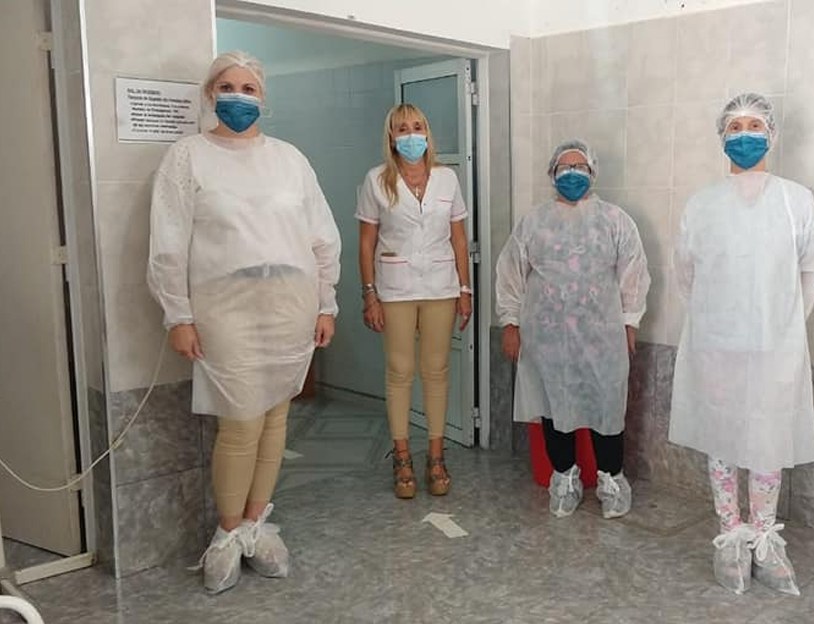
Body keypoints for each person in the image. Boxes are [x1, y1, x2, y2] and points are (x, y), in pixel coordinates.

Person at [147, 51, 342, 594]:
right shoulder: (188, 157)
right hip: (224, 308)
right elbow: (168, 242)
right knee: (240, 421)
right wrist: (178, 314)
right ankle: (228, 533)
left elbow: (322, 235)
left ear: (263, 96)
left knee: (276, 416)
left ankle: (256, 525)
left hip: (290, 303)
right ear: (210, 94)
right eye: (227, 86)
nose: (238, 95)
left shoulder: (289, 159)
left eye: (249, 87)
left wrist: (326, 303)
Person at [669, 93, 814, 596]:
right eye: (734, 126)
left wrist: (784, 324)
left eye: (754, 125)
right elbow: (685, 272)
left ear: (771, 135)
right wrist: (717, 320)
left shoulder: (795, 200)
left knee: (767, 439)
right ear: (721, 136)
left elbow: (813, 267)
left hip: (775, 345)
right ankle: (730, 535)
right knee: (722, 436)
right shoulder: (702, 203)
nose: (744, 135)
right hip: (716, 343)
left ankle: (763, 537)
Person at [496, 139, 650, 519]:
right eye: (564, 167)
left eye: (579, 166)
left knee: (606, 407)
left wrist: (630, 323)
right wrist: (510, 322)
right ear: (552, 173)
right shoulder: (534, 223)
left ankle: (611, 480)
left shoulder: (614, 221)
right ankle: (564, 479)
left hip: (602, 337)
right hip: (547, 338)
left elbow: (633, 274)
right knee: (554, 407)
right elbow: (510, 273)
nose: (571, 173)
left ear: (593, 172)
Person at [356, 103, 472, 499]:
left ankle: (436, 456)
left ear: (427, 132)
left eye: (417, 126)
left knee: (436, 370)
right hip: (395, 288)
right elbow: (366, 242)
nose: (411, 135)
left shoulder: (447, 178)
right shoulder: (377, 180)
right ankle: (402, 456)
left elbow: (459, 238)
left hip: (441, 286)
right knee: (400, 370)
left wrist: (465, 289)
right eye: (402, 128)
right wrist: (369, 294)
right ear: (391, 136)